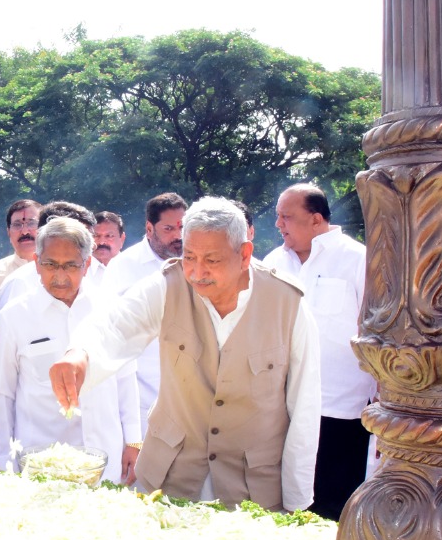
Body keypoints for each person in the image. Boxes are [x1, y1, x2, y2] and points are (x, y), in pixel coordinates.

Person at [51, 197, 321, 510]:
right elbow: (116, 323)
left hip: (252, 489)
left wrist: (296, 502)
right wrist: (80, 353)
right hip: (170, 477)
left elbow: (304, 406)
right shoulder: (168, 285)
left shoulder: (288, 304)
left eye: (212, 260)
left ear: (245, 254)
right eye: (189, 256)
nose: (197, 271)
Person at [0, 218, 140, 483]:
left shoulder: (110, 308)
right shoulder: (15, 316)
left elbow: (126, 378)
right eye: (50, 265)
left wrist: (134, 442)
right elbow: (2, 394)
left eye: (71, 265)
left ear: (87, 265)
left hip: (106, 459)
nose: (59, 276)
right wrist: (6, 464)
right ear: (37, 263)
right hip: (42, 465)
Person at [260, 184, 376, 520]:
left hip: (341, 407)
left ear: (315, 219)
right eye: (277, 217)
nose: (279, 225)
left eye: (287, 217)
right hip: (283, 405)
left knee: (333, 505)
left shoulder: (357, 259)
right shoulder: (274, 262)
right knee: (284, 501)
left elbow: (378, 328)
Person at [100, 192, 188, 437]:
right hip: (141, 396)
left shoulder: (196, 262)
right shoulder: (123, 267)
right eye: (169, 228)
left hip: (191, 393)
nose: (178, 235)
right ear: (149, 228)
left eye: (182, 226)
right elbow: (111, 332)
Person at [0, 202, 104, 310]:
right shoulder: (19, 283)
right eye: (80, 236)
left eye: (90, 236)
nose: (93, 245)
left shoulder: (97, 282)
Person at [0, 199, 40, 346]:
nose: (24, 231)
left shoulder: (60, 272)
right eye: (17, 225)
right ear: (8, 232)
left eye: (31, 223)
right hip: (3, 365)